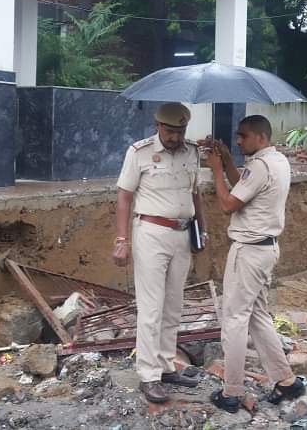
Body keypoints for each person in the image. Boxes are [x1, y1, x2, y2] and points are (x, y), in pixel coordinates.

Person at [203, 115, 305, 413]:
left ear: (260, 137)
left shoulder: (260, 166)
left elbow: (227, 204)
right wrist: (226, 160)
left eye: (243, 136)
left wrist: (217, 169)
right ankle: (287, 381)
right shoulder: (276, 161)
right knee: (258, 316)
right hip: (265, 251)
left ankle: (232, 392)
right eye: (236, 136)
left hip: (248, 252)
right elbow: (243, 187)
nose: (237, 141)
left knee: (234, 319)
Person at [114, 102, 208, 404]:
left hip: (182, 234)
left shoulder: (192, 151)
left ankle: (167, 366)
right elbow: (124, 197)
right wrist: (121, 239)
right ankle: (148, 375)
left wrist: (202, 230)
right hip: (151, 234)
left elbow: (196, 194)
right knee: (151, 308)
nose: (175, 136)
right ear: (157, 125)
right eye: (170, 130)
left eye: (180, 130)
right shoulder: (139, 152)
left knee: (173, 306)